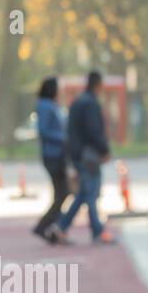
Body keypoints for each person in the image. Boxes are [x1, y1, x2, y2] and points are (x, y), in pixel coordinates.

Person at [57, 71, 114, 245]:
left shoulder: (77, 102)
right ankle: (98, 231)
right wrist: (104, 149)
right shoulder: (90, 104)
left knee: (83, 194)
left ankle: (61, 227)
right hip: (88, 155)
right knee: (91, 193)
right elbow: (94, 131)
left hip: (77, 154)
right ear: (98, 85)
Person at [32, 77, 71, 245]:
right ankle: (44, 226)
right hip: (52, 155)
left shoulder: (50, 105)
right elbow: (44, 130)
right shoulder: (45, 106)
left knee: (61, 193)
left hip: (57, 154)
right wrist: (63, 138)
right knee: (63, 193)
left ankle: (55, 230)